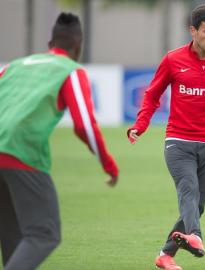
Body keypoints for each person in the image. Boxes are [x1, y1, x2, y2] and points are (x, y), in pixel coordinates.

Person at [127, 5, 205, 270]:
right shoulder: (173, 60)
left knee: (198, 204)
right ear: (193, 31)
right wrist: (141, 124)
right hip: (178, 142)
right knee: (189, 190)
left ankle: (165, 255)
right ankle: (195, 236)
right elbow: (152, 94)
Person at [0, 12, 119, 270]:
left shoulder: (14, 66)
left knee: (14, 236)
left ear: (49, 44)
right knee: (44, 234)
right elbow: (84, 125)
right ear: (78, 47)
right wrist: (109, 164)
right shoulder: (71, 71)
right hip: (20, 154)